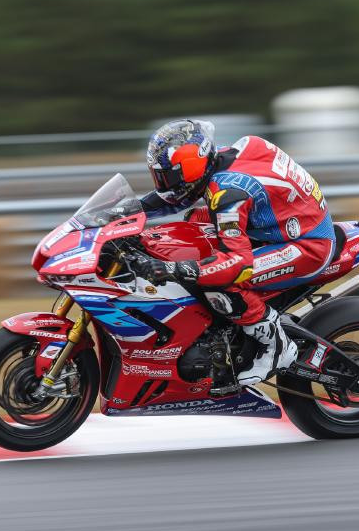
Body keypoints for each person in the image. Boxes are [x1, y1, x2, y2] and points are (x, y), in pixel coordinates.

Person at [134, 119, 337, 386]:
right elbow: (173, 199)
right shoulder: (226, 157)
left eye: (168, 176)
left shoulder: (228, 194)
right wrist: (125, 211)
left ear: (191, 169)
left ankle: (276, 347)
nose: (164, 183)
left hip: (307, 245)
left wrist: (175, 270)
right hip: (277, 226)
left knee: (220, 280)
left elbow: (238, 264)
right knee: (193, 220)